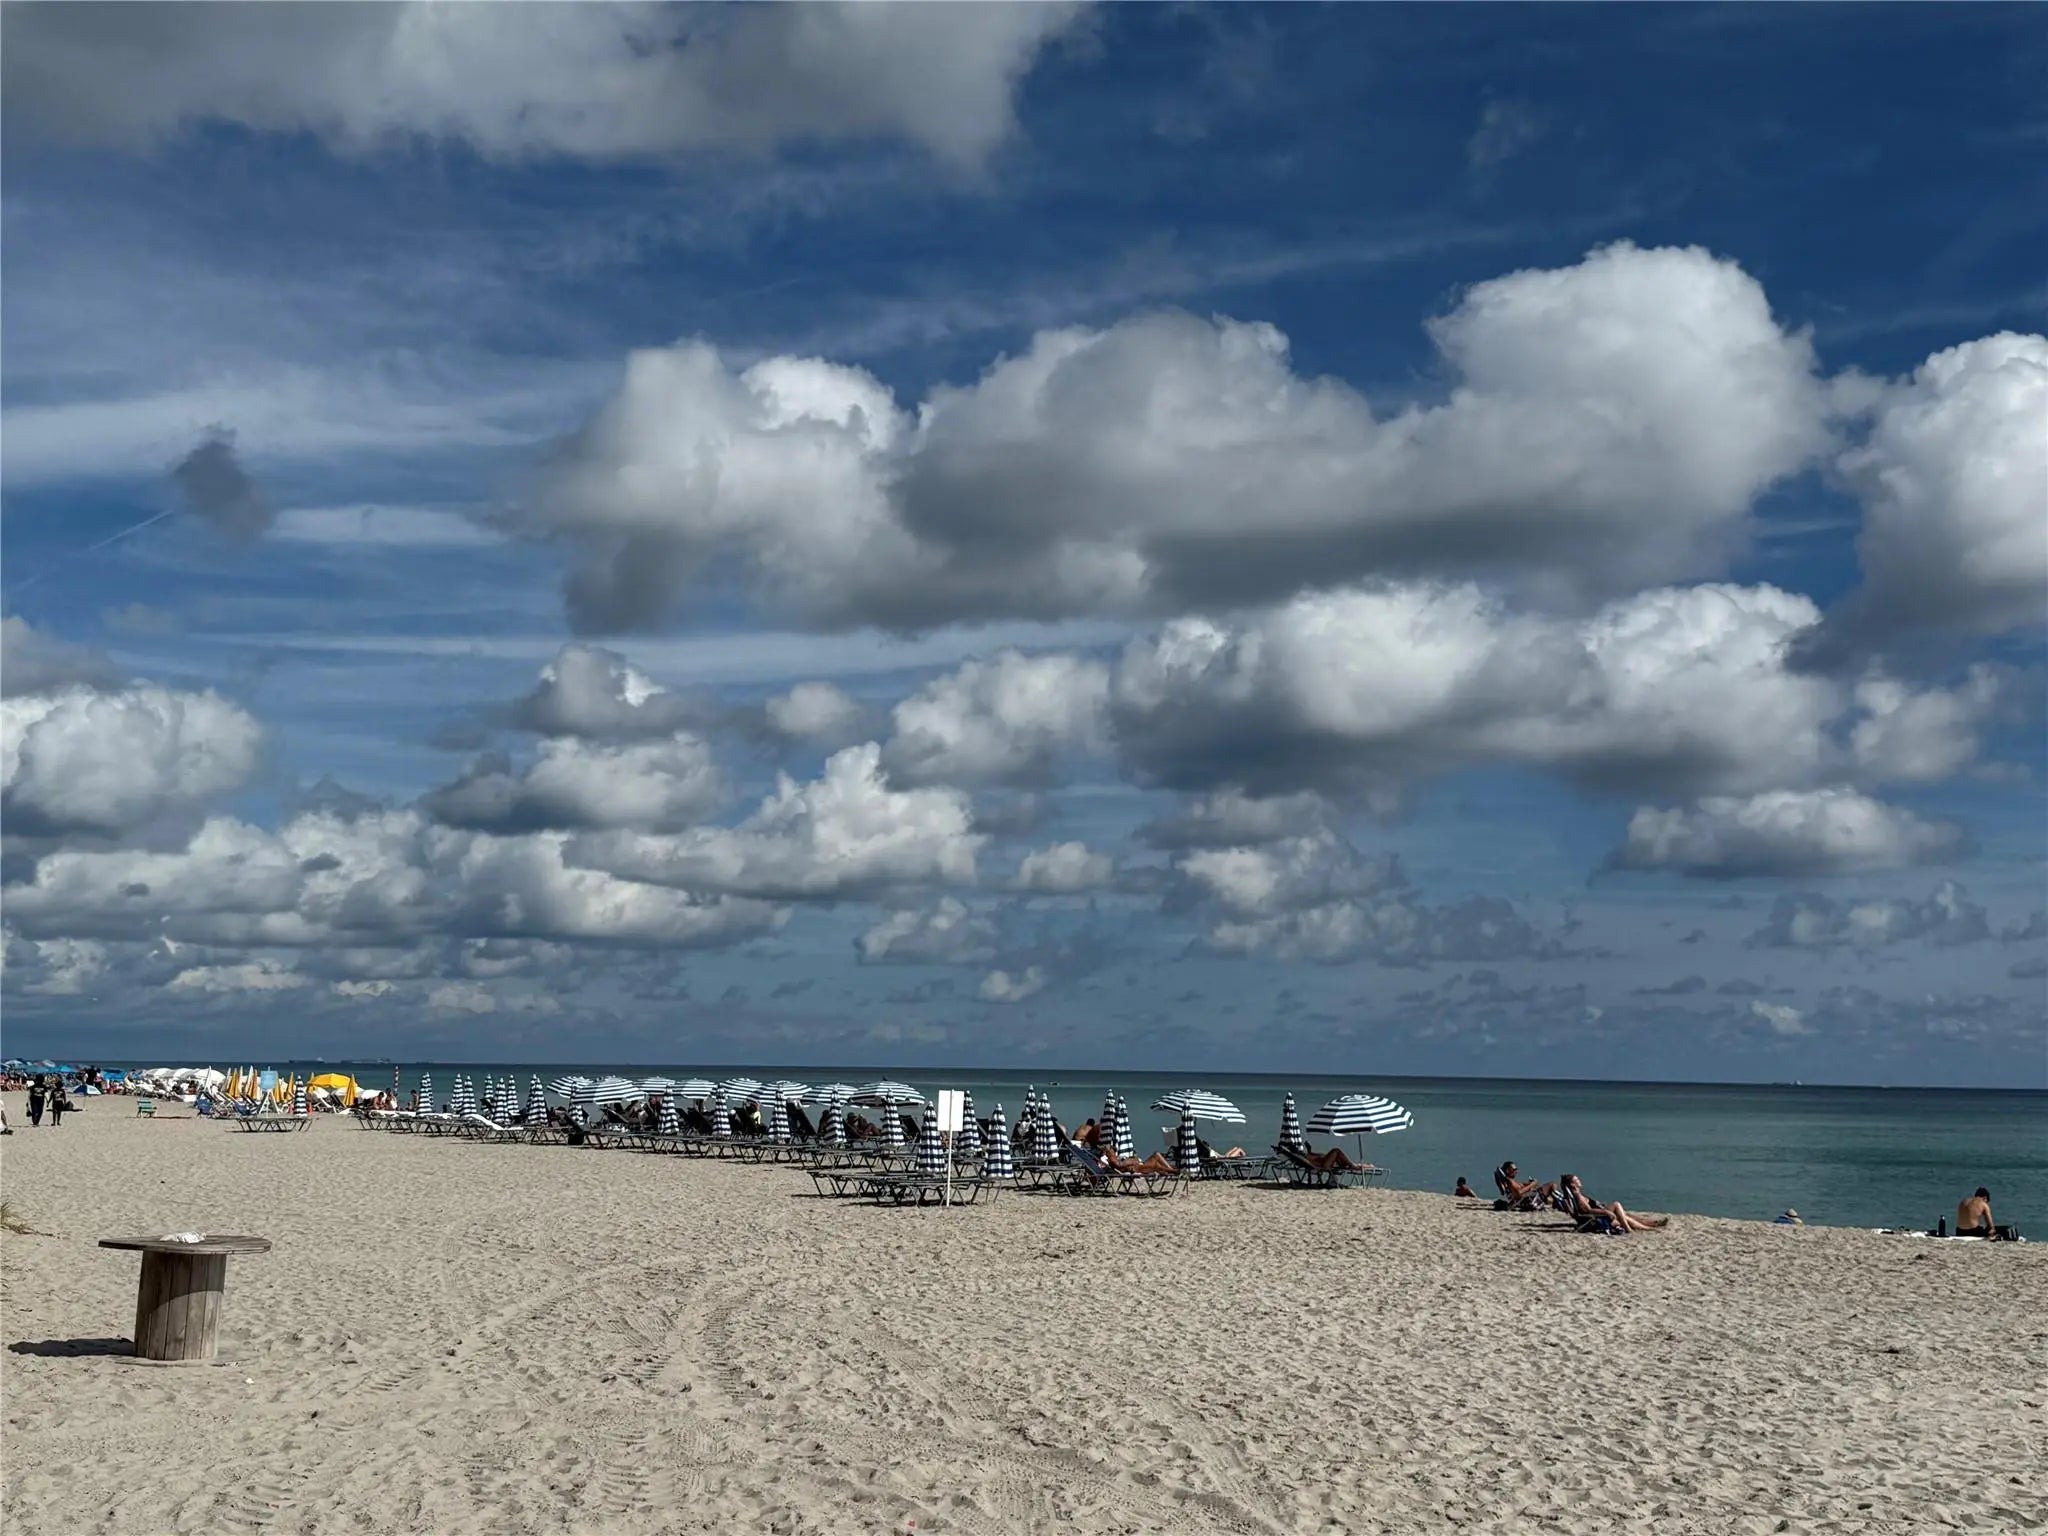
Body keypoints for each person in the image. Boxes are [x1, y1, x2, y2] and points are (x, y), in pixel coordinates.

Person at [1560, 1173, 1667, 1233]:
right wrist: (1606, 1212)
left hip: (1594, 1216)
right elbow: (1588, 1210)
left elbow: (1580, 1212)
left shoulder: (1574, 1195)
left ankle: (1651, 1224)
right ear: (1572, 1184)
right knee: (1617, 1205)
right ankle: (1633, 1229)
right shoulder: (1577, 1196)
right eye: (1577, 1180)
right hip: (1594, 1219)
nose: (1579, 1180)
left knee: (1625, 1215)